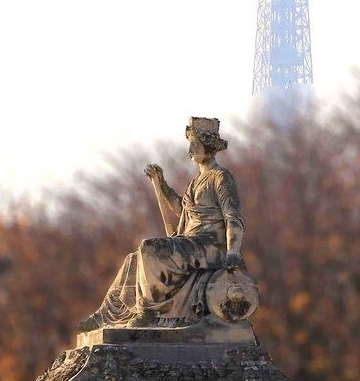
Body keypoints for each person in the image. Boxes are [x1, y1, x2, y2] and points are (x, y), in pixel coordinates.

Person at [79, 117, 246, 330]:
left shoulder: (220, 178)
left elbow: (233, 217)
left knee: (149, 248)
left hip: (208, 246)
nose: (190, 151)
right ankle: (108, 315)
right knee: (134, 259)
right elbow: (183, 211)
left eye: (194, 144)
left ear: (208, 145)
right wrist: (162, 184)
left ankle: (149, 311)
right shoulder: (195, 181)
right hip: (191, 243)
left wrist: (232, 253)